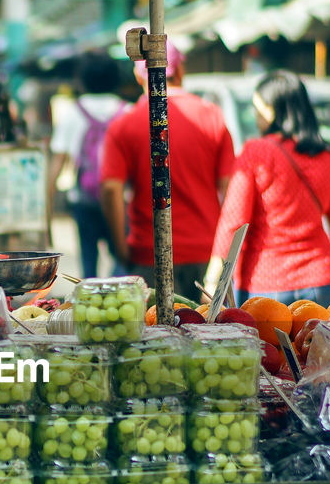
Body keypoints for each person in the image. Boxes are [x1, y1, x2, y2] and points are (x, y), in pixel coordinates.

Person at [206, 70, 330, 305]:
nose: (256, 117)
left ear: (270, 111)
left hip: (267, 285)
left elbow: (233, 223)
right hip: (322, 283)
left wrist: (211, 280)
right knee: (319, 344)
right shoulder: (328, 156)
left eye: (257, 110)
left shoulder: (256, 152)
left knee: (265, 344)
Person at [100, 40, 235, 297]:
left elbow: (110, 189)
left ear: (140, 77)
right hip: (206, 254)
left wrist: (121, 248)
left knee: (154, 333)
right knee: (211, 333)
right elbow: (229, 190)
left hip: (148, 253)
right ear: (181, 71)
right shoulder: (212, 116)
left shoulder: (124, 124)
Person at [49, 51, 126, 278]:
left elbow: (58, 161)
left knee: (88, 262)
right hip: (120, 198)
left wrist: (48, 207)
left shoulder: (73, 112)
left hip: (83, 200)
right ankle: (116, 297)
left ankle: (91, 299)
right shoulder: (126, 111)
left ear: (82, 79)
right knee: (122, 257)